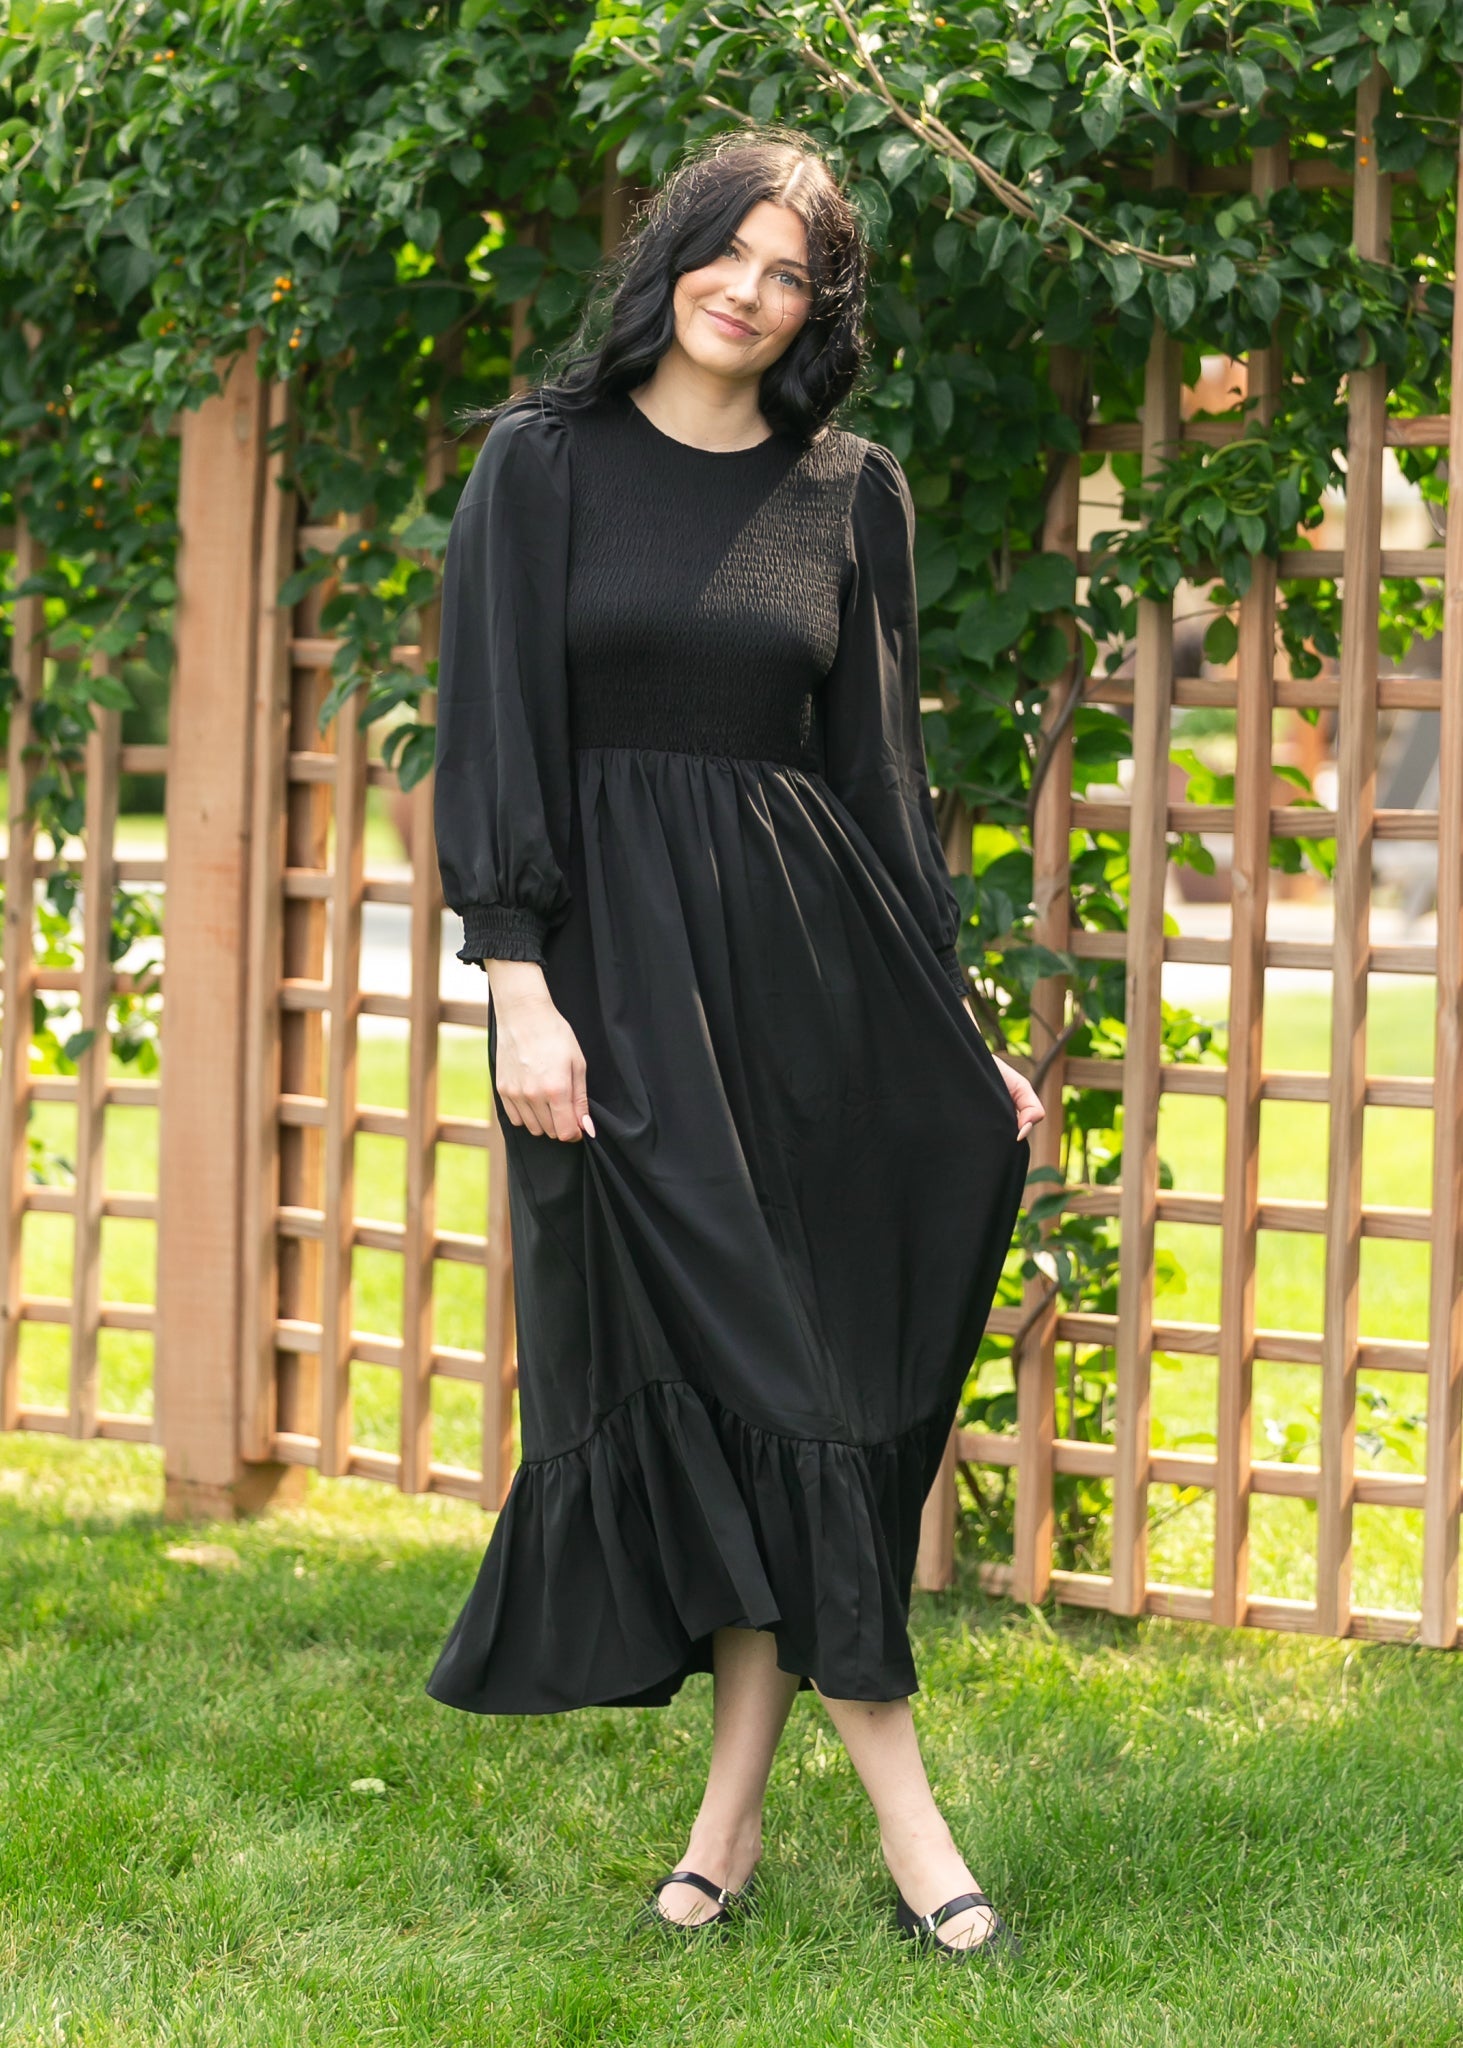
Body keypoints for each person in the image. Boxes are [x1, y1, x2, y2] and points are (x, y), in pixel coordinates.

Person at [426, 126, 1044, 1961]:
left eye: (794, 276)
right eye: (732, 253)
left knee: (802, 1394)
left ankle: (726, 1827)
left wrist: (955, 1028)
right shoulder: (540, 464)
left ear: (816, 313)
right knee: (758, 1389)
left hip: (805, 991)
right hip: (610, 1005)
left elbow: (877, 786)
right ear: (672, 252)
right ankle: (918, 1833)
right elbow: (493, 735)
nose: (752, 295)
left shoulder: (849, 492)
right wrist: (516, 981)